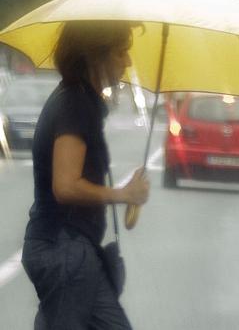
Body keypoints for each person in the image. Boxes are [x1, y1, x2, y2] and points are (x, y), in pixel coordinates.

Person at [21, 21, 149, 330]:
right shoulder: (74, 104)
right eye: (121, 52)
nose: (128, 62)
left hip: (74, 251)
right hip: (63, 250)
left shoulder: (80, 101)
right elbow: (65, 186)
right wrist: (124, 195)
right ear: (96, 56)